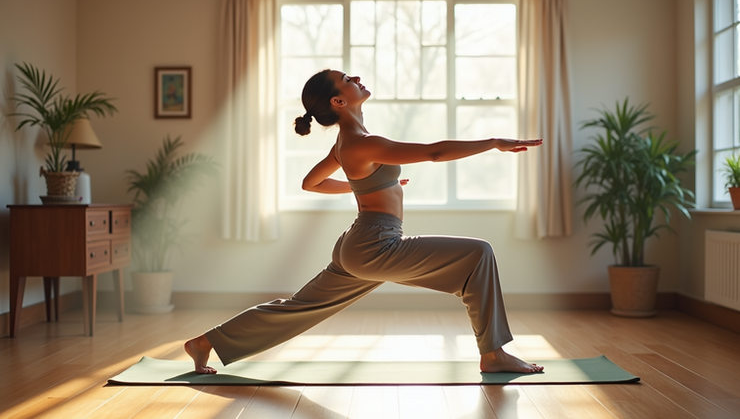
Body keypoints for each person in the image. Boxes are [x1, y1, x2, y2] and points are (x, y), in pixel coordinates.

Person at [185, 69, 544, 375]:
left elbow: (311, 182)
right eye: (346, 79)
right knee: (479, 254)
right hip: (375, 244)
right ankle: (493, 355)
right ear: (338, 102)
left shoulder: (346, 142)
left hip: (358, 244)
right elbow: (434, 152)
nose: (355, 78)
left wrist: (369, 184)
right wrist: (495, 142)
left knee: (298, 307)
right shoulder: (361, 142)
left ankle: (203, 343)